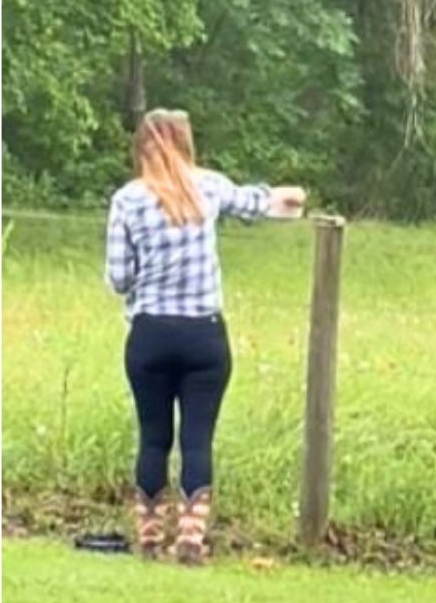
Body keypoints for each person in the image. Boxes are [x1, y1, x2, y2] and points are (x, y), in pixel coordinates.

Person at [104, 108, 305, 565]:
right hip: (204, 337)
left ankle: (151, 534)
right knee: (197, 439)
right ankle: (191, 536)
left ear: (141, 148)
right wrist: (294, 196)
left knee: (153, 437)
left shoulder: (127, 200)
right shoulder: (208, 187)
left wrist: (144, 280)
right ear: (186, 145)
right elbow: (265, 205)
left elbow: (118, 277)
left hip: (150, 334)